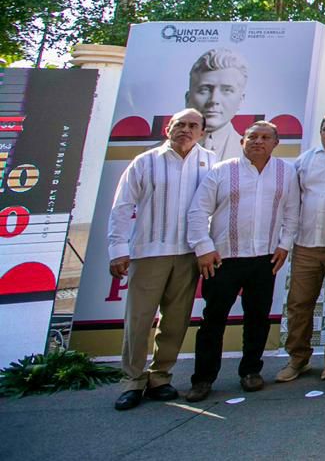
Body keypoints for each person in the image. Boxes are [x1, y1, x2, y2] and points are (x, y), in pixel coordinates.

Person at [107, 108, 215, 411]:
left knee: (176, 320)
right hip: (149, 252)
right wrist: (118, 248)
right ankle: (133, 381)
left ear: (202, 132)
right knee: (139, 319)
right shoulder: (146, 161)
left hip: (188, 254)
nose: (186, 129)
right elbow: (122, 206)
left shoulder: (209, 162)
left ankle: (160, 377)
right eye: (180, 124)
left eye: (193, 125)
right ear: (169, 127)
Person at [186, 121, 298, 401]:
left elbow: (292, 213)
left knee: (258, 319)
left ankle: (250, 371)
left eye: (265, 137)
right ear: (242, 141)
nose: (258, 142)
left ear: (275, 143)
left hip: (264, 259)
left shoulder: (286, 172)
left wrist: (284, 246)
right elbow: (198, 211)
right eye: (252, 137)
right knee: (213, 320)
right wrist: (203, 248)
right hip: (223, 259)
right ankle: (202, 379)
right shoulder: (222, 172)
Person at [276, 110, 325, 383]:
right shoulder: (305, 161)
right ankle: (297, 359)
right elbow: (291, 203)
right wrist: (287, 241)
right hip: (306, 245)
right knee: (299, 304)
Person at [185, 48, 249, 161]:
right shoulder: (154, 156)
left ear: (241, 100)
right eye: (204, 90)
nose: (214, 100)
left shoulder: (255, 158)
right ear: (188, 98)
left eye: (227, 90)